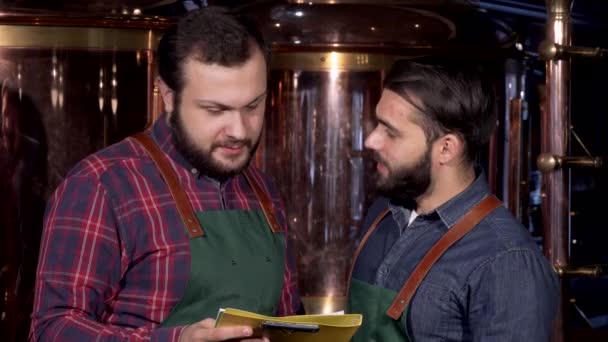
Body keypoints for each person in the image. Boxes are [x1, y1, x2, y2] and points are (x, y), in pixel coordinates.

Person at [30, 6, 300, 341]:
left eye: (253, 106)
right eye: (216, 110)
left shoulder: (263, 189)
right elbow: (52, 330)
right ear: (169, 96)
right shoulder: (101, 186)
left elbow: (289, 321)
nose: (239, 130)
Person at [347, 58, 559, 341]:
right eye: (377, 124)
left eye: (390, 132)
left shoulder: (508, 262)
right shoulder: (381, 214)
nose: (371, 140)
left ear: (446, 149)